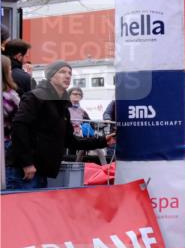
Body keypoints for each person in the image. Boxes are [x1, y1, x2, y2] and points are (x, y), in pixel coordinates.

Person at [7, 61, 114, 190]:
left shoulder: (62, 105)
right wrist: (26, 163)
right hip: (24, 171)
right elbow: (19, 128)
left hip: (41, 171)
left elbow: (70, 140)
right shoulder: (35, 97)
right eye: (62, 72)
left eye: (70, 73)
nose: (68, 76)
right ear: (51, 76)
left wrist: (103, 141)